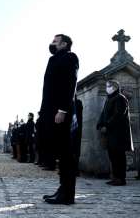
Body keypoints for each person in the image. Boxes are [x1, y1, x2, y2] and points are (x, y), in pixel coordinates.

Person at [40, 34, 79, 205]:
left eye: (55, 41)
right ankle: (62, 188)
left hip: (60, 112)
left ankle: (68, 194)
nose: (51, 43)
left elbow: (70, 84)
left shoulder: (70, 57)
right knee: (60, 153)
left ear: (64, 44)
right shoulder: (54, 59)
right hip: (51, 112)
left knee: (66, 153)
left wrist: (62, 109)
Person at [97, 80, 133, 186]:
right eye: (107, 86)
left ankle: (120, 178)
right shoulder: (109, 99)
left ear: (115, 87)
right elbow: (103, 114)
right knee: (113, 155)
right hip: (111, 133)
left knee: (119, 156)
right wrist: (100, 125)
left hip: (118, 133)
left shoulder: (120, 98)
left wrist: (107, 125)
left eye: (109, 86)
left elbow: (118, 115)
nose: (107, 87)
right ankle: (116, 177)